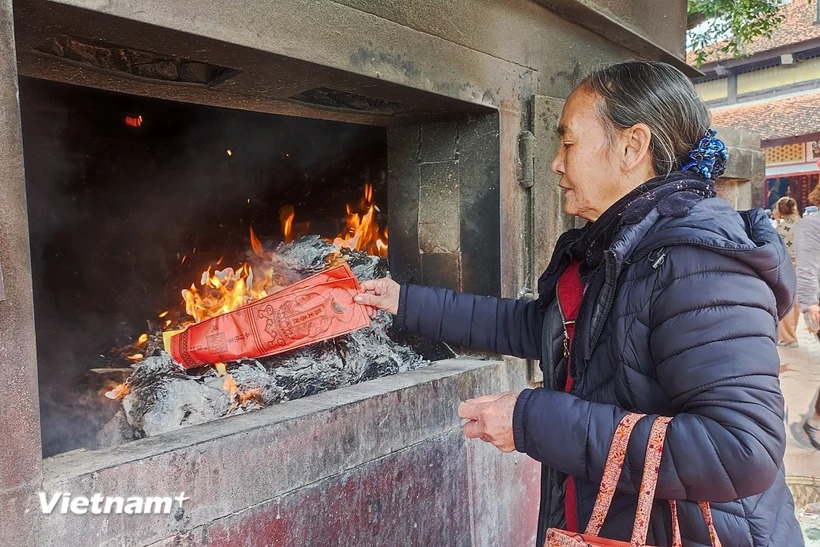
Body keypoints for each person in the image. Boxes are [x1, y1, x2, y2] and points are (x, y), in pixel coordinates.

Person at [355, 61, 802, 545]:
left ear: (632, 146)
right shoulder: (620, 247)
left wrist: (534, 421)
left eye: (568, 142)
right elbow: (538, 326)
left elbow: (741, 450)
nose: (555, 163)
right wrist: (402, 301)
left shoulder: (699, 265)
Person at [795, 184, 820, 450]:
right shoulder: (811, 226)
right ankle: (813, 422)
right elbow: (807, 267)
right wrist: (810, 303)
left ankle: (814, 420)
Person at [773, 196, 802, 347]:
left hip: (787, 267)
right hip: (802, 266)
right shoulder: (801, 223)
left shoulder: (780, 229)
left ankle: (787, 337)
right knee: (796, 302)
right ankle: (792, 333)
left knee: (786, 301)